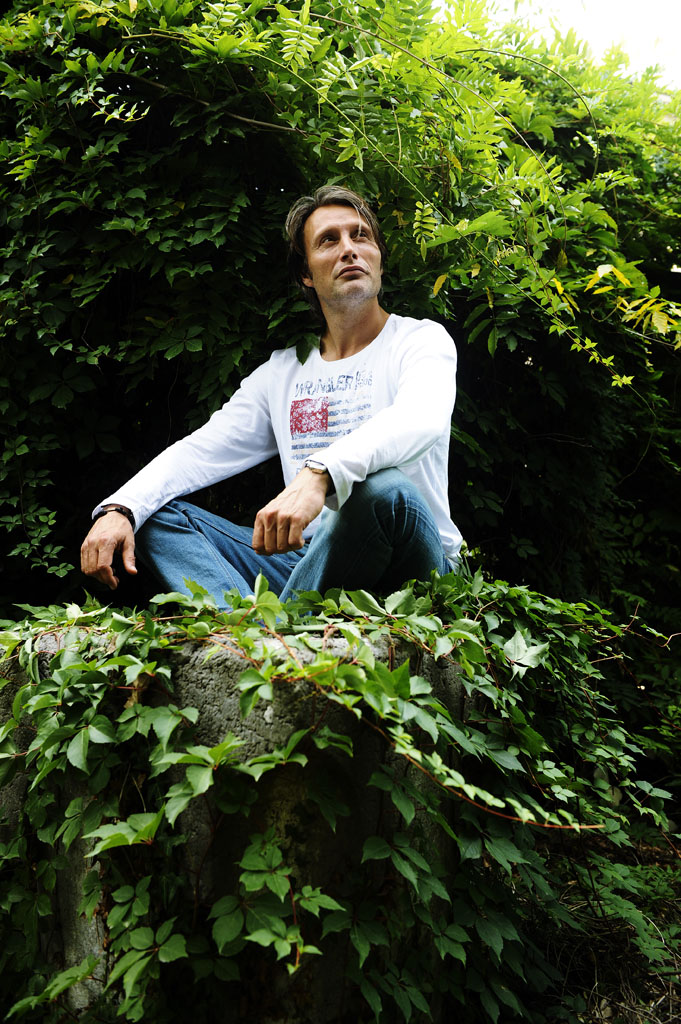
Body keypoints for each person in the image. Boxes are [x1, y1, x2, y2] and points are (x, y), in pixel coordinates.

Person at [81, 185, 463, 607]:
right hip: (308, 564)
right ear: (305, 273)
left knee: (384, 491)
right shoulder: (283, 373)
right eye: (329, 240)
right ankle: (254, 634)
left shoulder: (421, 341)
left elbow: (420, 417)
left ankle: (277, 631)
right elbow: (200, 451)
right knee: (153, 516)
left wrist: (320, 473)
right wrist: (121, 508)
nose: (350, 249)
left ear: (378, 259)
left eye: (361, 236)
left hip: (408, 559)